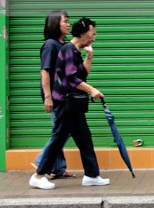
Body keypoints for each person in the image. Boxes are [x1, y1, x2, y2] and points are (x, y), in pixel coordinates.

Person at [29, 17, 110, 190]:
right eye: (92, 34)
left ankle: (91, 175)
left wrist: (90, 55)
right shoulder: (68, 50)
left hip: (73, 105)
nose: (94, 38)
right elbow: (72, 78)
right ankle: (38, 176)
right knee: (58, 139)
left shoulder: (75, 50)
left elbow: (82, 75)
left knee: (84, 138)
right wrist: (92, 90)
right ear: (83, 33)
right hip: (64, 103)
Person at [31, 10, 74, 179]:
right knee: (61, 132)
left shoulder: (63, 44)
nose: (68, 24)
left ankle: (58, 168)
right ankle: (42, 161)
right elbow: (45, 72)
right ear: (56, 24)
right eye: (65, 21)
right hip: (55, 96)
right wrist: (48, 97)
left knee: (60, 130)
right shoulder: (50, 45)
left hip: (64, 95)